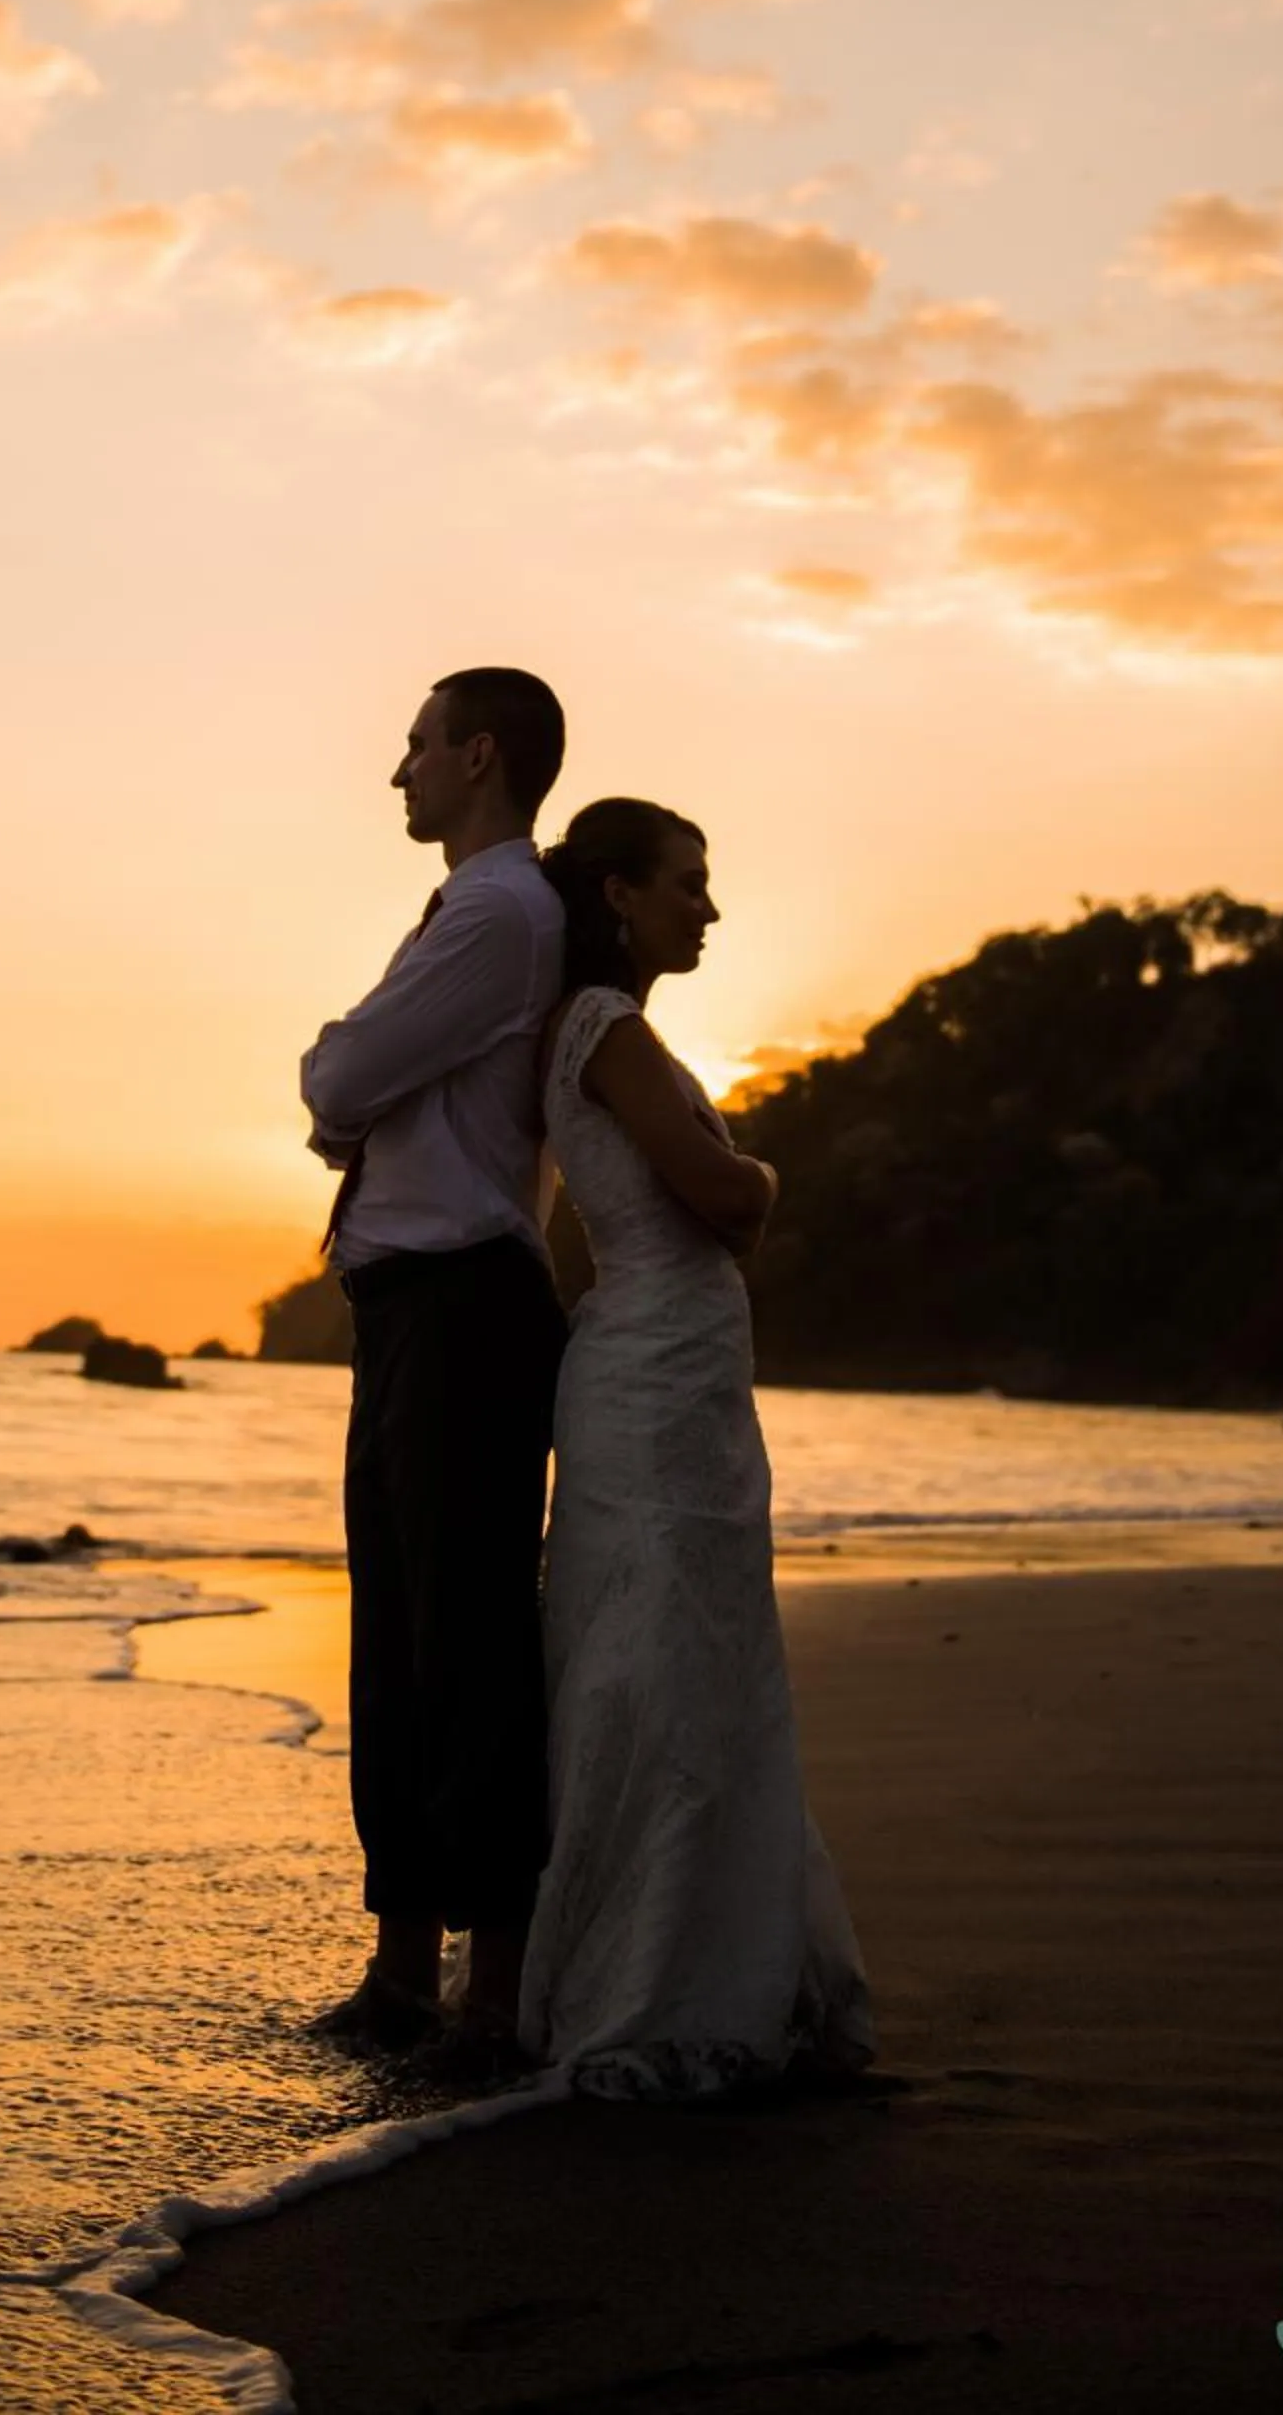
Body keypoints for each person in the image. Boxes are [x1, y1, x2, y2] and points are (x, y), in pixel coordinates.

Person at [518, 796, 878, 2101]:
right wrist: (767, 1183)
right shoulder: (605, 1029)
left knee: (689, 1647)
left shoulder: (613, 1032)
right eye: (688, 883)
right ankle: (650, 1977)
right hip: (652, 1377)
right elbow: (717, 1195)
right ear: (615, 893)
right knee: (654, 1652)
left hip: (675, 1377)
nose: (708, 908)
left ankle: (712, 1958)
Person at [298, 669, 570, 2090]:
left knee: (462, 1636)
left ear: (476, 755)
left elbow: (341, 1079)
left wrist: (338, 1075)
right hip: (414, 1302)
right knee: (401, 1633)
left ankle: (492, 1990)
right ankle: (404, 1967)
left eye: (414, 746)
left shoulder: (496, 914)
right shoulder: (478, 912)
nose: (395, 772)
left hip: (464, 1303)